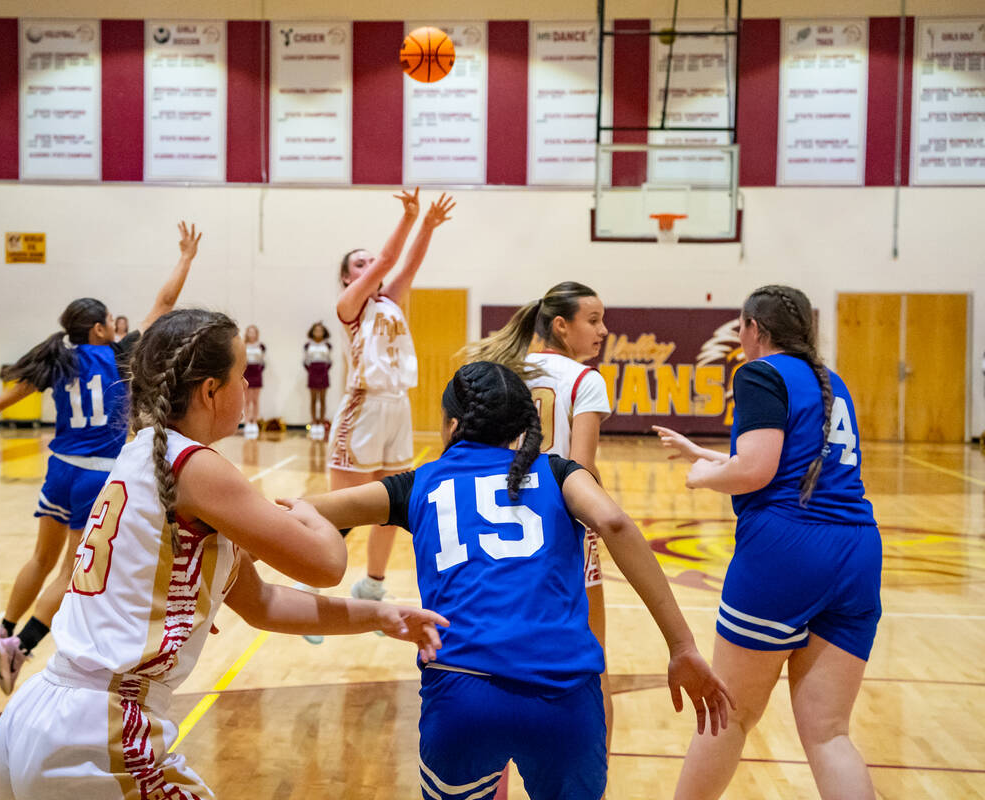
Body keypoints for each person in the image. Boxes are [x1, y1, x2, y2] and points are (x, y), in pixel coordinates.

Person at [0, 308, 448, 799]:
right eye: (242, 375)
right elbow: (327, 566)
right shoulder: (196, 467)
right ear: (210, 390)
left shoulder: (144, 451)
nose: (247, 386)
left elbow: (262, 604)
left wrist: (383, 616)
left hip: (40, 714)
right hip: (100, 731)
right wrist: (315, 513)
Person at [302, 361, 732, 799]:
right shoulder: (559, 472)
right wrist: (681, 645)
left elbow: (310, 511)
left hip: (461, 691)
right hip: (562, 694)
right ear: (522, 426)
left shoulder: (417, 484)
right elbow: (615, 524)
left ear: (451, 425)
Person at [0, 222, 201, 695]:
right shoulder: (121, 354)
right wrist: (185, 258)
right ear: (100, 328)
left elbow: (5, 398)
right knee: (70, 571)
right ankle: (19, 646)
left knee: (41, 559)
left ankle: (2, 628)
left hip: (59, 470)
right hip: (97, 476)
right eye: (110, 320)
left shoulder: (57, 361)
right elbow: (164, 306)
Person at [653, 285, 881, 800]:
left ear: (756, 329)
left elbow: (756, 469)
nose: (738, 334)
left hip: (788, 551)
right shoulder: (830, 382)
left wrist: (699, 477)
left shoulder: (759, 372)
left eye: (741, 324)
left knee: (728, 716)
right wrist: (707, 454)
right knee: (829, 733)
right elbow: (790, 459)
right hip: (856, 552)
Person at [463, 281, 616, 751]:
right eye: (593, 320)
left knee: (498, 661)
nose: (603, 330)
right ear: (560, 325)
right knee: (593, 665)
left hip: (500, 528)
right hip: (561, 531)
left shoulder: (503, 371)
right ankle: (592, 779)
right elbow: (584, 472)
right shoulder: (583, 380)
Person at [328, 187, 455, 606]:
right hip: (362, 406)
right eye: (358, 263)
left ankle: (372, 585)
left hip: (397, 406)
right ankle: (308, 582)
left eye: (370, 260)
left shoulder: (389, 302)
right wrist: (408, 218)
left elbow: (409, 264)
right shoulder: (350, 306)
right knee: (340, 509)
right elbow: (388, 260)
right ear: (349, 278)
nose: (370, 265)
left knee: (391, 504)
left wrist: (429, 226)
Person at [303, 321, 333, 440]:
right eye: (316, 330)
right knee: (313, 398)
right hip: (313, 371)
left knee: (322, 398)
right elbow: (305, 361)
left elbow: (330, 360)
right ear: (312, 332)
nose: (318, 332)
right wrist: (311, 370)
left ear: (324, 332)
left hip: (323, 371)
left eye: (320, 330)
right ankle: (314, 423)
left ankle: (321, 422)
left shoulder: (328, 345)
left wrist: (325, 369)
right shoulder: (308, 345)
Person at [242, 325, 265, 438]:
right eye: (250, 332)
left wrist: (259, 370)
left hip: (257, 372)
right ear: (247, 333)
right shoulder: (243, 345)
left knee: (255, 400)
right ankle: (247, 423)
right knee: (247, 400)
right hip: (247, 372)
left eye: (254, 332)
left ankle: (254, 422)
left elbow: (262, 361)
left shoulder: (261, 346)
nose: (252, 334)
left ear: (256, 334)